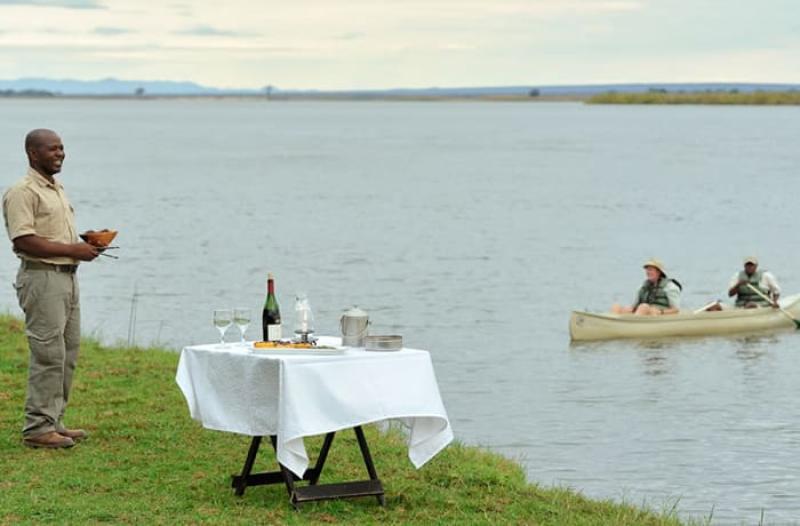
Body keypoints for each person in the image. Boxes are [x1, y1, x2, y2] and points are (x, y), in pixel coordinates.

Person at [2, 129, 99, 449]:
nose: (60, 153)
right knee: (48, 353)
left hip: (67, 277)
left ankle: (54, 421)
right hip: (42, 278)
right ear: (33, 153)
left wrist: (86, 243)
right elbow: (24, 240)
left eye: (61, 148)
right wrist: (73, 250)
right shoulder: (22, 191)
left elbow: (52, 234)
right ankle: (37, 428)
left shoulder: (56, 188)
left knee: (68, 352)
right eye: (52, 149)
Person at [611, 259, 682, 316]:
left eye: (650, 270)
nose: (648, 272)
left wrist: (661, 312)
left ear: (659, 272)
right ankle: (613, 324)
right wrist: (628, 309)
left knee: (644, 307)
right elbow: (633, 306)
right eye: (647, 270)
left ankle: (634, 325)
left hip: (659, 315)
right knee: (616, 306)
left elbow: (676, 310)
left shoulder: (670, 287)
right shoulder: (642, 287)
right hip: (643, 312)